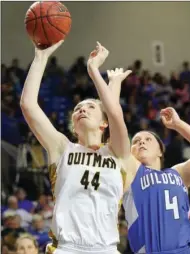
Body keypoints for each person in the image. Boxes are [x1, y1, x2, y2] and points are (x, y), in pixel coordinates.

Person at [20, 40, 131, 254]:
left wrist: (94, 70)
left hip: (105, 249)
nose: (82, 109)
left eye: (90, 106)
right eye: (78, 108)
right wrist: (41, 58)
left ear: (103, 122)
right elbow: (28, 106)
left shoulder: (117, 152)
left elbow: (115, 112)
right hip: (66, 248)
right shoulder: (63, 148)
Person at [107, 67, 190, 253]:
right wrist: (114, 85)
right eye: (136, 141)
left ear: (160, 151)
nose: (141, 143)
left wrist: (178, 125)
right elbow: (115, 122)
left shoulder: (178, 173)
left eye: (148, 139)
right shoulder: (131, 172)